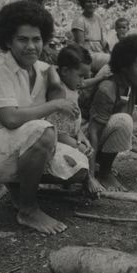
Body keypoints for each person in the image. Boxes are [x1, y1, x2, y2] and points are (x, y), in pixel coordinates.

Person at [0, 0, 90, 235]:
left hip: (10, 142)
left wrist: (55, 82)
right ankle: (28, 210)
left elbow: (61, 107)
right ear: (8, 41)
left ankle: (16, 188)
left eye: (36, 39)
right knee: (42, 132)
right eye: (23, 39)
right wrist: (55, 103)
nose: (31, 46)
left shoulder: (42, 69)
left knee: (78, 165)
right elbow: (10, 119)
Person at [88, 34, 137, 191]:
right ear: (124, 67)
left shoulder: (136, 81)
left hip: (105, 131)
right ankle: (103, 172)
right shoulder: (108, 87)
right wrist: (90, 176)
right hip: (86, 138)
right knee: (124, 121)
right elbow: (93, 132)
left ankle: (102, 164)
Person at [46, 44, 105, 194]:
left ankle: (88, 177)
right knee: (85, 151)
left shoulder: (73, 84)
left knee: (89, 146)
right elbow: (51, 74)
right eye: (81, 75)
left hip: (73, 130)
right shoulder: (58, 89)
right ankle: (88, 179)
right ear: (64, 71)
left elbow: (84, 84)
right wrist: (53, 67)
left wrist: (101, 78)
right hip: (58, 135)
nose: (83, 81)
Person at [71, 0, 110, 75]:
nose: (92, 4)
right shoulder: (79, 21)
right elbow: (80, 47)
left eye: (94, 1)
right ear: (83, 3)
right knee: (114, 61)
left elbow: (103, 41)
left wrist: (110, 51)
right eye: (89, 1)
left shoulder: (98, 18)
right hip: (89, 56)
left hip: (100, 53)